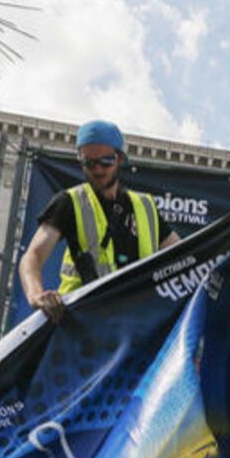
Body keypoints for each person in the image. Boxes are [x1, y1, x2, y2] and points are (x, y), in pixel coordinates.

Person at [19, 119, 179, 322]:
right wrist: (37, 296)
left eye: (106, 162)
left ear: (120, 158)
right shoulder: (69, 202)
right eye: (89, 162)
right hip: (82, 324)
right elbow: (32, 256)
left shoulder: (145, 206)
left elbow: (183, 254)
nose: (98, 170)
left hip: (137, 325)